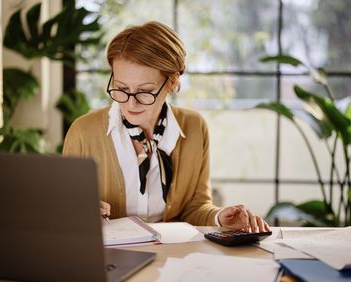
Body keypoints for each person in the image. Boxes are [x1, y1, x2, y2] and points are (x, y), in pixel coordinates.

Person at [63, 21, 270, 233]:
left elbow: (195, 207)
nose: (130, 103)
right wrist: (79, 213)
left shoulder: (194, 128)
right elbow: (63, 211)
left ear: (171, 83)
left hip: (172, 259)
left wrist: (218, 218)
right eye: (121, 88)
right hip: (109, 261)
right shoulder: (83, 132)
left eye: (145, 91)